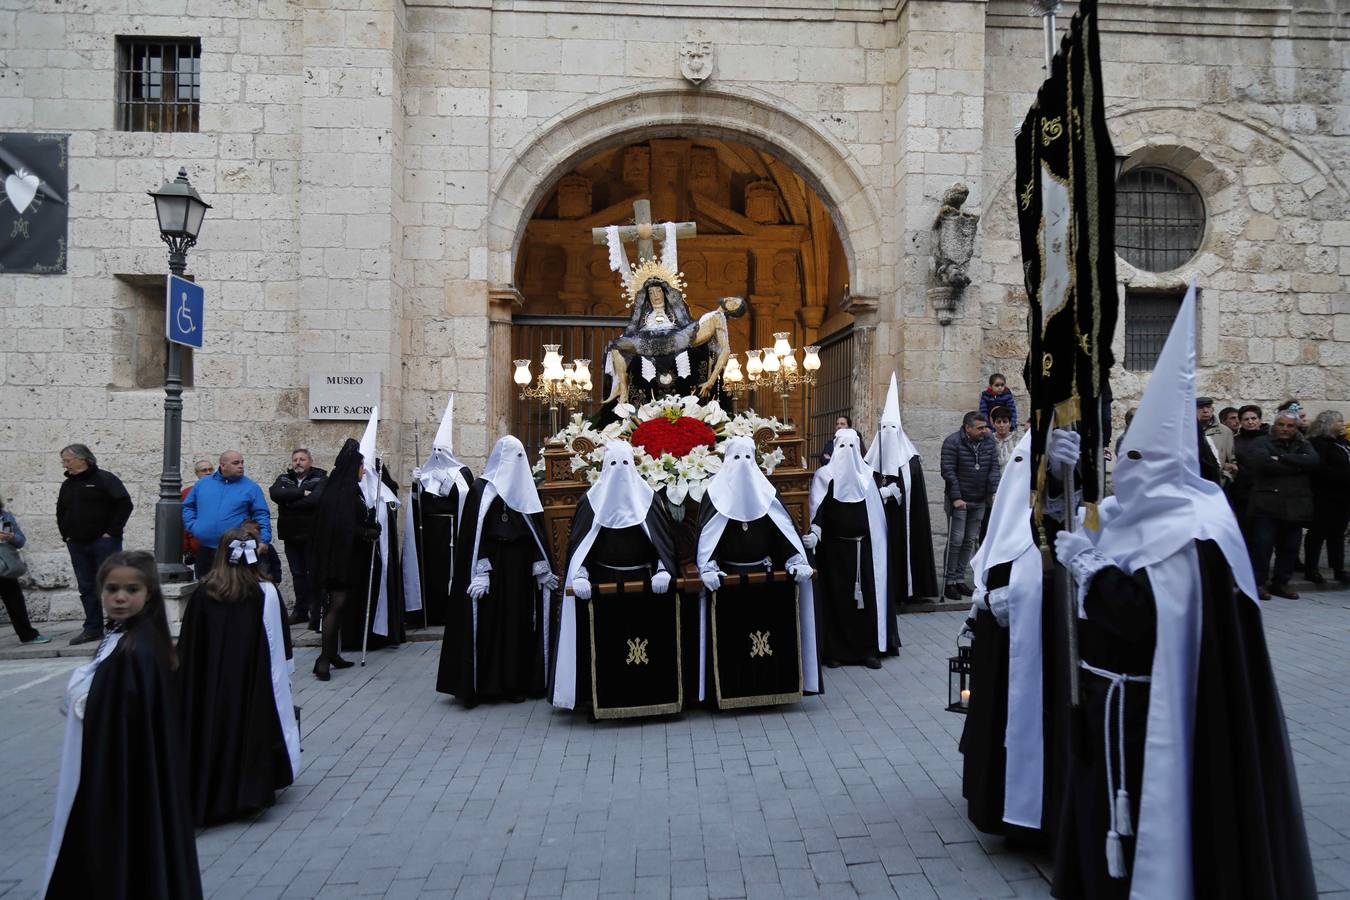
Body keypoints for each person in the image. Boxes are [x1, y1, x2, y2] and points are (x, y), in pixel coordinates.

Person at [1051, 287, 1315, 900]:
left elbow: (1139, 616)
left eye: (1135, 459)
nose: (1125, 471)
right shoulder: (1141, 511)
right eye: (1122, 457)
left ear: (1168, 465)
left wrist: (1089, 567)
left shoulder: (1191, 531)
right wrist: (1056, 475)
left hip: (1147, 711)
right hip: (1104, 700)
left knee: (1139, 822)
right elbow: (1083, 524)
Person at [43, 550, 203, 899]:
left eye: (132, 589)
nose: (120, 597)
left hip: (124, 784)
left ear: (149, 594)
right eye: (112, 588)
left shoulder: (137, 651)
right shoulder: (123, 639)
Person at [958, 430, 1055, 841]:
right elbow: (989, 567)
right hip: (1000, 654)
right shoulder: (1009, 526)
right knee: (997, 717)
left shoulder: (1056, 528)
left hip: (1042, 654)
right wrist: (984, 602)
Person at [177, 527, 299, 826]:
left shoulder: (204, 593)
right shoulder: (264, 593)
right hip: (249, 683)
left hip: (210, 685)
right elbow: (277, 645)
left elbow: (189, 648)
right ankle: (248, 792)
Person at [551, 441, 680, 719]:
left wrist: (662, 568)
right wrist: (581, 573)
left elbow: (663, 543)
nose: (619, 471)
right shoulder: (590, 501)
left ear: (633, 466)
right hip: (602, 587)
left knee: (646, 646)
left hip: (644, 586)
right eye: (613, 464)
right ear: (603, 467)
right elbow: (581, 545)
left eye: (625, 464)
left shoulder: (649, 499)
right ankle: (596, 697)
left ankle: (651, 696)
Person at [695, 435, 818, 709]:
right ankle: (730, 692)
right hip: (727, 585)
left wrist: (794, 560)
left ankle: (770, 687)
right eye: (736, 457)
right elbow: (707, 540)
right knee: (734, 646)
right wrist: (709, 567)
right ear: (727, 460)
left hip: (765, 581)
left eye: (747, 457)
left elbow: (782, 536)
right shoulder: (714, 495)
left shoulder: (767, 495)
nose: (742, 464)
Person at [436, 435, 555, 706]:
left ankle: (515, 683)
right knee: (489, 625)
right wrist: (479, 570)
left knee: (517, 624)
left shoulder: (526, 491)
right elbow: (473, 537)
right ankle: (486, 684)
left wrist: (540, 564)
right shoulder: (481, 490)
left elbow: (534, 532)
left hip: (519, 571)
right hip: (490, 570)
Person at [808, 428, 889, 669]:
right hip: (834, 551)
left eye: (852, 446)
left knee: (864, 603)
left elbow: (875, 516)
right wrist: (815, 532)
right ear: (834, 447)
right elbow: (818, 510)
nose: (847, 452)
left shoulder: (866, 477)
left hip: (863, 550)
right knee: (836, 599)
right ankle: (835, 651)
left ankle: (867, 651)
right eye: (842, 446)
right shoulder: (824, 476)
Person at [865, 373, 939, 607]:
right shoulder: (872, 457)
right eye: (884, 427)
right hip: (880, 516)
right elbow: (866, 479)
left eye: (892, 427)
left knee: (903, 550)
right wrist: (879, 491)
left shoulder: (910, 458)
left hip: (903, 519)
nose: (888, 431)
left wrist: (895, 492)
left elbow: (911, 487)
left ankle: (908, 590)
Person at [307, 438, 378, 681]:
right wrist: (367, 532)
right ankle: (324, 660)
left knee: (336, 606)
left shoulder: (338, 487)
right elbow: (345, 526)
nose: (364, 471)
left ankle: (331, 653)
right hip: (340, 559)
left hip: (336, 556)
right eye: (361, 466)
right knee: (336, 605)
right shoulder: (345, 491)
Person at [56, 443, 134, 645]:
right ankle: (92, 628)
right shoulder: (68, 484)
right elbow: (61, 510)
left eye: (68, 460)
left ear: (83, 459)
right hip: (77, 544)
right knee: (86, 587)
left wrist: (112, 531)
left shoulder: (105, 479)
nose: (65, 464)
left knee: (113, 583)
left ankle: (118, 624)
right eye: (64, 460)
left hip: (104, 543)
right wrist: (66, 535)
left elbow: (124, 503)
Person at [406, 396, 474, 628]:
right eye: (434, 450)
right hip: (430, 534)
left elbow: (466, 498)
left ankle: (450, 613)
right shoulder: (424, 472)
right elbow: (418, 505)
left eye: (441, 450)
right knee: (432, 574)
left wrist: (447, 485)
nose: (437, 454)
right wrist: (415, 488)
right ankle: (431, 613)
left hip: (451, 532)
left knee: (450, 573)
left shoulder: (461, 472)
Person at [1237, 410, 1317, 601]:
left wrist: (1282, 458)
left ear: (1296, 428)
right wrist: (1297, 466)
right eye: (1281, 424)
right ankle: (1258, 583)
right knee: (1262, 548)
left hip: (1295, 505)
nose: (1285, 429)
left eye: (1290, 426)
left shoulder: (1304, 443)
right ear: (1275, 425)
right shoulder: (1261, 442)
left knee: (1289, 548)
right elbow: (1263, 464)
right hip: (1267, 505)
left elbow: (1313, 461)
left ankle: (1281, 583)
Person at [183, 450, 272, 580]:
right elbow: (188, 506)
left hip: (235, 549)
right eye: (236, 463)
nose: (241, 466)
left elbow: (261, 514)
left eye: (242, 462)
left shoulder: (251, 487)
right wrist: (193, 526)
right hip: (205, 548)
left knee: (234, 587)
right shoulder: (202, 484)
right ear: (223, 465)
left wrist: (264, 539)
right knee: (205, 587)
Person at [940, 412, 1001, 601]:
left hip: (979, 498)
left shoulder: (989, 442)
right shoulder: (952, 442)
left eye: (985, 427)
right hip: (959, 500)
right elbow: (948, 471)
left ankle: (960, 578)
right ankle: (949, 582)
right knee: (956, 540)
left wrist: (995, 491)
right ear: (968, 428)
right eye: (980, 428)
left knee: (969, 541)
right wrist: (956, 497)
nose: (985, 430)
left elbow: (993, 467)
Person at [269, 448, 327, 627]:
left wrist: (288, 503)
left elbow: (316, 500)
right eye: (295, 459)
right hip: (291, 535)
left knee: (313, 573)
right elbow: (275, 493)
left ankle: (315, 610)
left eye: (302, 459)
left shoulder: (320, 478)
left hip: (312, 535)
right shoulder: (284, 478)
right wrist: (301, 493)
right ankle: (300, 610)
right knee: (297, 574)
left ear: (310, 461)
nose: (298, 463)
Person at [1303, 410, 1350, 585]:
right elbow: (1318, 468)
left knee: (1338, 534)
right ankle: (1311, 569)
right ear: (1328, 424)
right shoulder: (1318, 444)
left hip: (1343, 497)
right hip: (1324, 496)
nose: (1343, 424)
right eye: (1339, 421)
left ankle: (1338, 569)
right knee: (1318, 533)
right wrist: (1344, 475)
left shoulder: (1344, 443)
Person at [0, 500, 50, 643]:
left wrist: (11, 537)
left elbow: (21, 541)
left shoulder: (5, 517)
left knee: (15, 601)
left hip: (5, 565)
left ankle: (28, 635)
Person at [182, 458, 213, 566]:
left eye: (210, 470)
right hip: (197, 545)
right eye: (204, 470)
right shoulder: (187, 493)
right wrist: (186, 546)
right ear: (197, 473)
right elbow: (183, 520)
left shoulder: (223, 490)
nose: (208, 473)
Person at [1198, 397, 1235, 486]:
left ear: (1213, 409)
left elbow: (1232, 459)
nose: (1205, 411)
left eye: (1208, 407)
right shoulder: (1187, 430)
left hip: (1217, 481)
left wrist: (1226, 476)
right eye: (1200, 408)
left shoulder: (1225, 431)